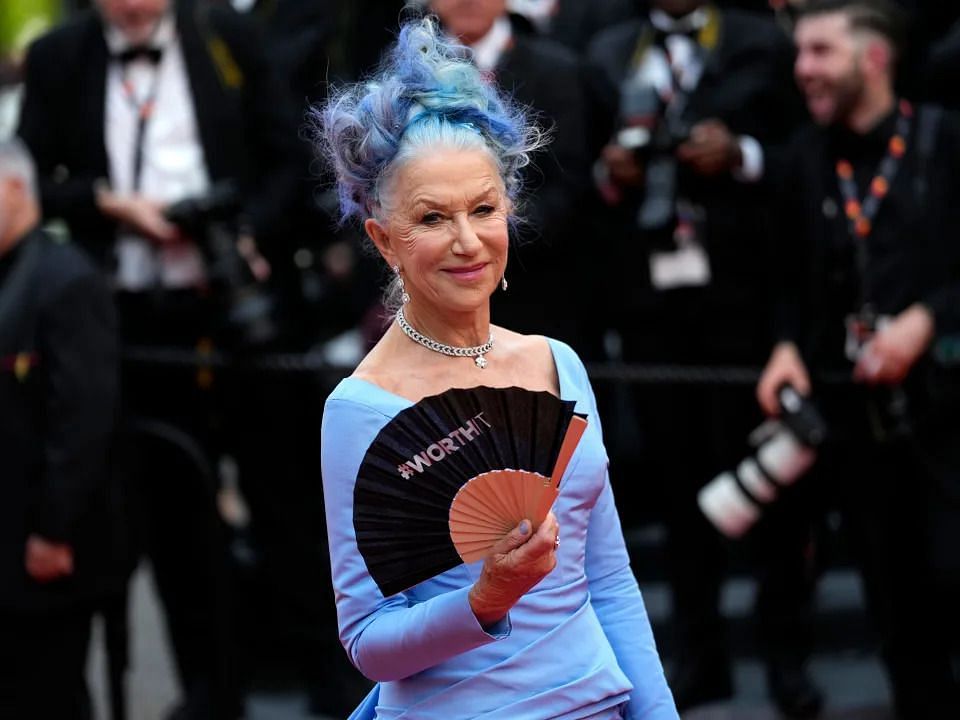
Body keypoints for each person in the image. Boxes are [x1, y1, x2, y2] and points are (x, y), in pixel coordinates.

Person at [317, 16, 678, 720]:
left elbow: (609, 581)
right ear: (383, 240)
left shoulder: (556, 363)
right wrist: (484, 600)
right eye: (431, 218)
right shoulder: (362, 406)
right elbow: (367, 640)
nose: (466, 242)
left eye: (484, 209)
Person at [17, 1, 300, 717]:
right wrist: (111, 204)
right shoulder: (59, 58)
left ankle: (328, 674)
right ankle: (207, 688)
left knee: (284, 498)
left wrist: (243, 240)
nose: (136, 7)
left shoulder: (228, 37)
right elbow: (27, 178)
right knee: (170, 512)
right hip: (131, 319)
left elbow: (289, 160)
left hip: (238, 307)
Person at [585, 1, 819, 715]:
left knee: (771, 485)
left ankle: (787, 658)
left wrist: (740, 153)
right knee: (680, 492)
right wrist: (612, 171)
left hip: (746, 305)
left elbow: (800, 163)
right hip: (653, 310)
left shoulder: (761, 44)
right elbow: (576, 169)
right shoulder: (607, 49)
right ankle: (699, 654)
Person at [758, 1, 960, 716]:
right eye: (800, 53)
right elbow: (781, 279)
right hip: (854, 424)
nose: (801, 69)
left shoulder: (942, 140)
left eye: (819, 52)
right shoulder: (801, 160)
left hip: (945, 417)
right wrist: (784, 345)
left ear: (872, 58)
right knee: (895, 610)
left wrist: (928, 321)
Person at [0, 139, 120, 719]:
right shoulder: (15, 273)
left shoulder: (66, 279)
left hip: (48, 544)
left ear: (17, 186)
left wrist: (52, 529)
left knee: (47, 694)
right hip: (10, 535)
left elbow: (83, 420)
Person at [428, 0, 594, 349]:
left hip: (539, 286)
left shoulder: (557, 69)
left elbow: (571, 177)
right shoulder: (409, 75)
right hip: (435, 285)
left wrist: (496, 228)